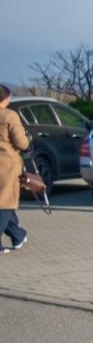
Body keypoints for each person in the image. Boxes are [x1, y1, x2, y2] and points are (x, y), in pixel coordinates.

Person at [0, 85, 30, 252]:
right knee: (6, 202)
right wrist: (27, 139)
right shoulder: (9, 116)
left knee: (5, 200)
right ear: (5, 98)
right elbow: (21, 142)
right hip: (7, 164)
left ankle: (18, 235)